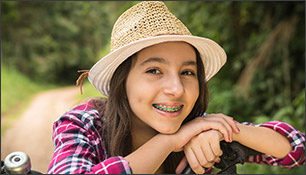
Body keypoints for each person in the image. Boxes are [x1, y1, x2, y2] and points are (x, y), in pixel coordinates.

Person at [47, 1, 305, 174]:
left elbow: (294, 149)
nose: (176, 89)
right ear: (121, 81)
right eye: (154, 70)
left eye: (187, 72)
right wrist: (169, 142)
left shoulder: (197, 126)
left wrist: (226, 131)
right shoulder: (84, 123)